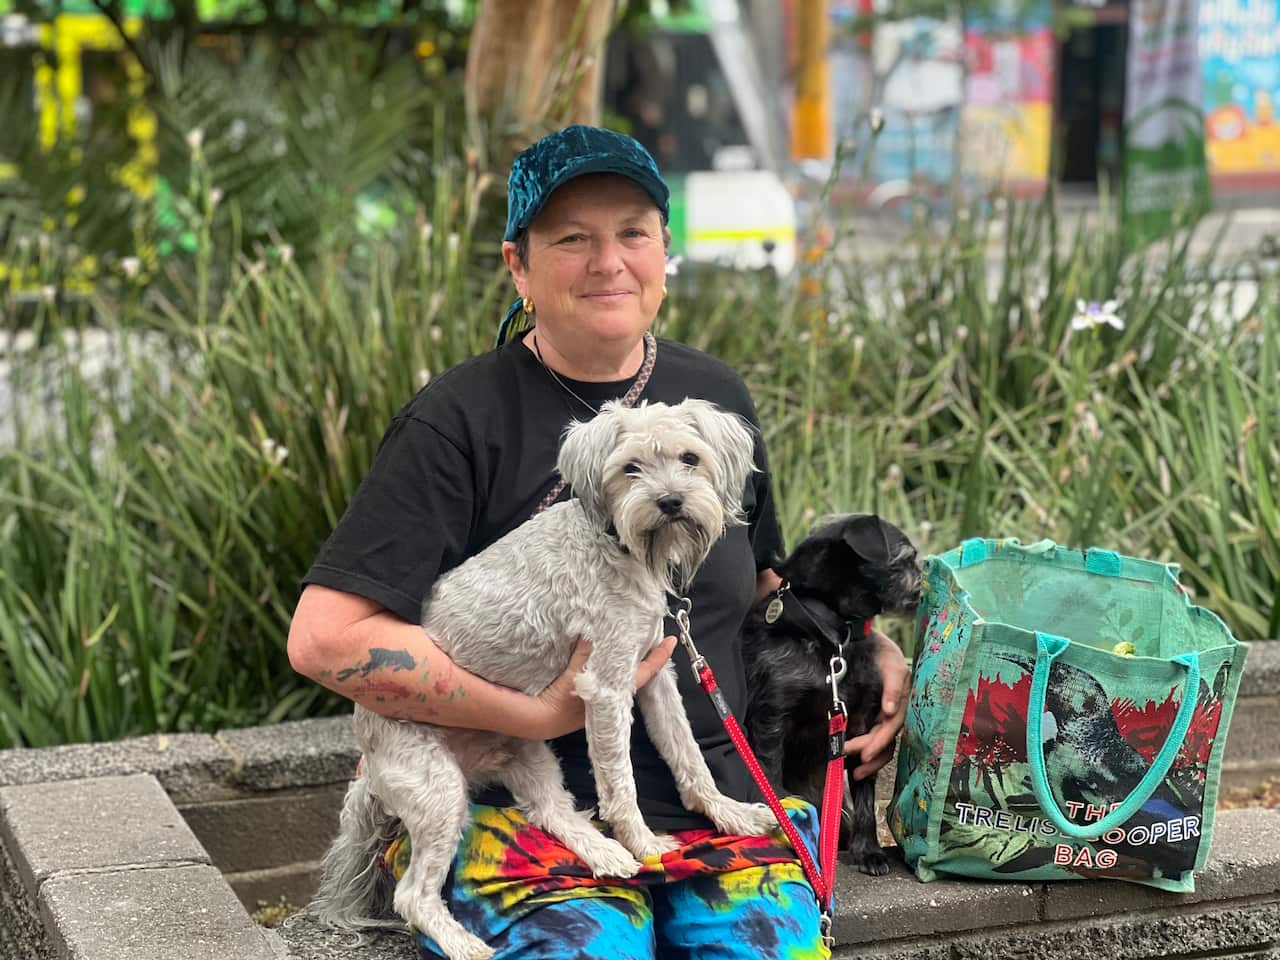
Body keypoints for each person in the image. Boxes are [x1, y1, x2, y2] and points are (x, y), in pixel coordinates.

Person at [287, 124, 910, 960]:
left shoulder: (714, 399)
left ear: (663, 253)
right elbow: (327, 640)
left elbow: (758, 586)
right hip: (522, 808)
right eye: (572, 238)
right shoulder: (457, 420)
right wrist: (537, 718)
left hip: (714, 802)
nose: (607, 260)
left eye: (632, 234)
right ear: (518, 265)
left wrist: (865, 651)